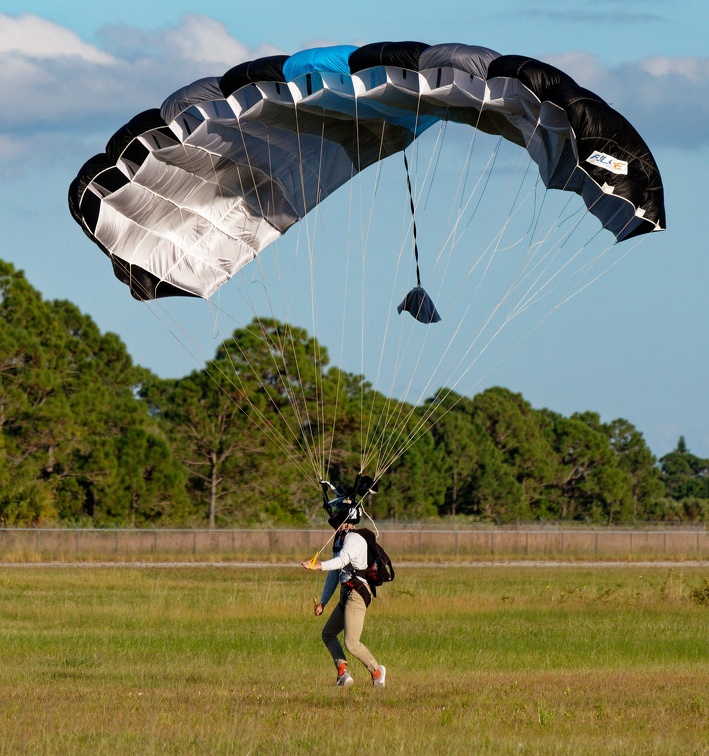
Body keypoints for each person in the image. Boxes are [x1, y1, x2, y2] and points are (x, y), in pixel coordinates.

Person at [301, 488, 386, 689]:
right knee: (328, 634)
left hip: (357, 594)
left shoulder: (354, 539)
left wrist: (318, 565)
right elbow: (334, 574)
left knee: (351, 643)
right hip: (345, 593)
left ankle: (377, 671)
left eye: (339, 522)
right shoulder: (341, 540)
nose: (336, 527)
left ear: (347, 522)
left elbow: (341, 561)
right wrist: (323, 601)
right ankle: (343, 674)